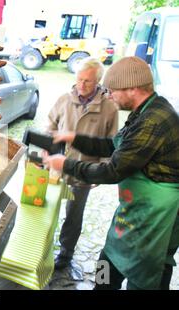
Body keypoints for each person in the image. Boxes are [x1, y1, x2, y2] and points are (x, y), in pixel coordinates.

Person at [44, 56, 179, 290]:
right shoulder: (142, 113)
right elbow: (113, 146)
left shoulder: (153, 121)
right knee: (105, 266)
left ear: (133, 89)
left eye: (112, 90)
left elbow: (113, 170)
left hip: (154, 219)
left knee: (145, 278)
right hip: (132, 213)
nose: (109, 95)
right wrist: (75, 138)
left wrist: (65, 165)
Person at [47, 57, 118, 271]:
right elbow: (49, 124)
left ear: (98, 81)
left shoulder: (109, 108)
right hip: (57, 167)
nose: (82, 84)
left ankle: (66, 253)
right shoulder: (64, 99)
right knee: (48, 208)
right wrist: (47, 143)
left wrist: (102, 170)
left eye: (87, 81)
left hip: (84, 171)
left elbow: (112, 142)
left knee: (74, 214)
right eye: (79, 79)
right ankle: (43, 247)